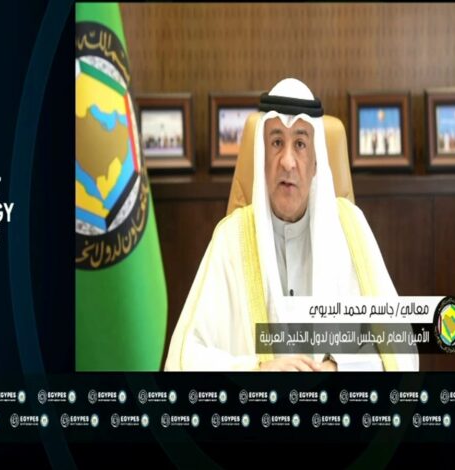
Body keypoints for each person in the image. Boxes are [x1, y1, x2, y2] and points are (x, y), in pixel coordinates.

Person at [165, 78, 418, 371]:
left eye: (300, 144)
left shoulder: (351, 229)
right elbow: (183, 360)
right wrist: (258, 371)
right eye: (276, 143)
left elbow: (400, 349)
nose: (287, 161)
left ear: (316, 162)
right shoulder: (231, 238)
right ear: (261, 158)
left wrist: (338, 368)